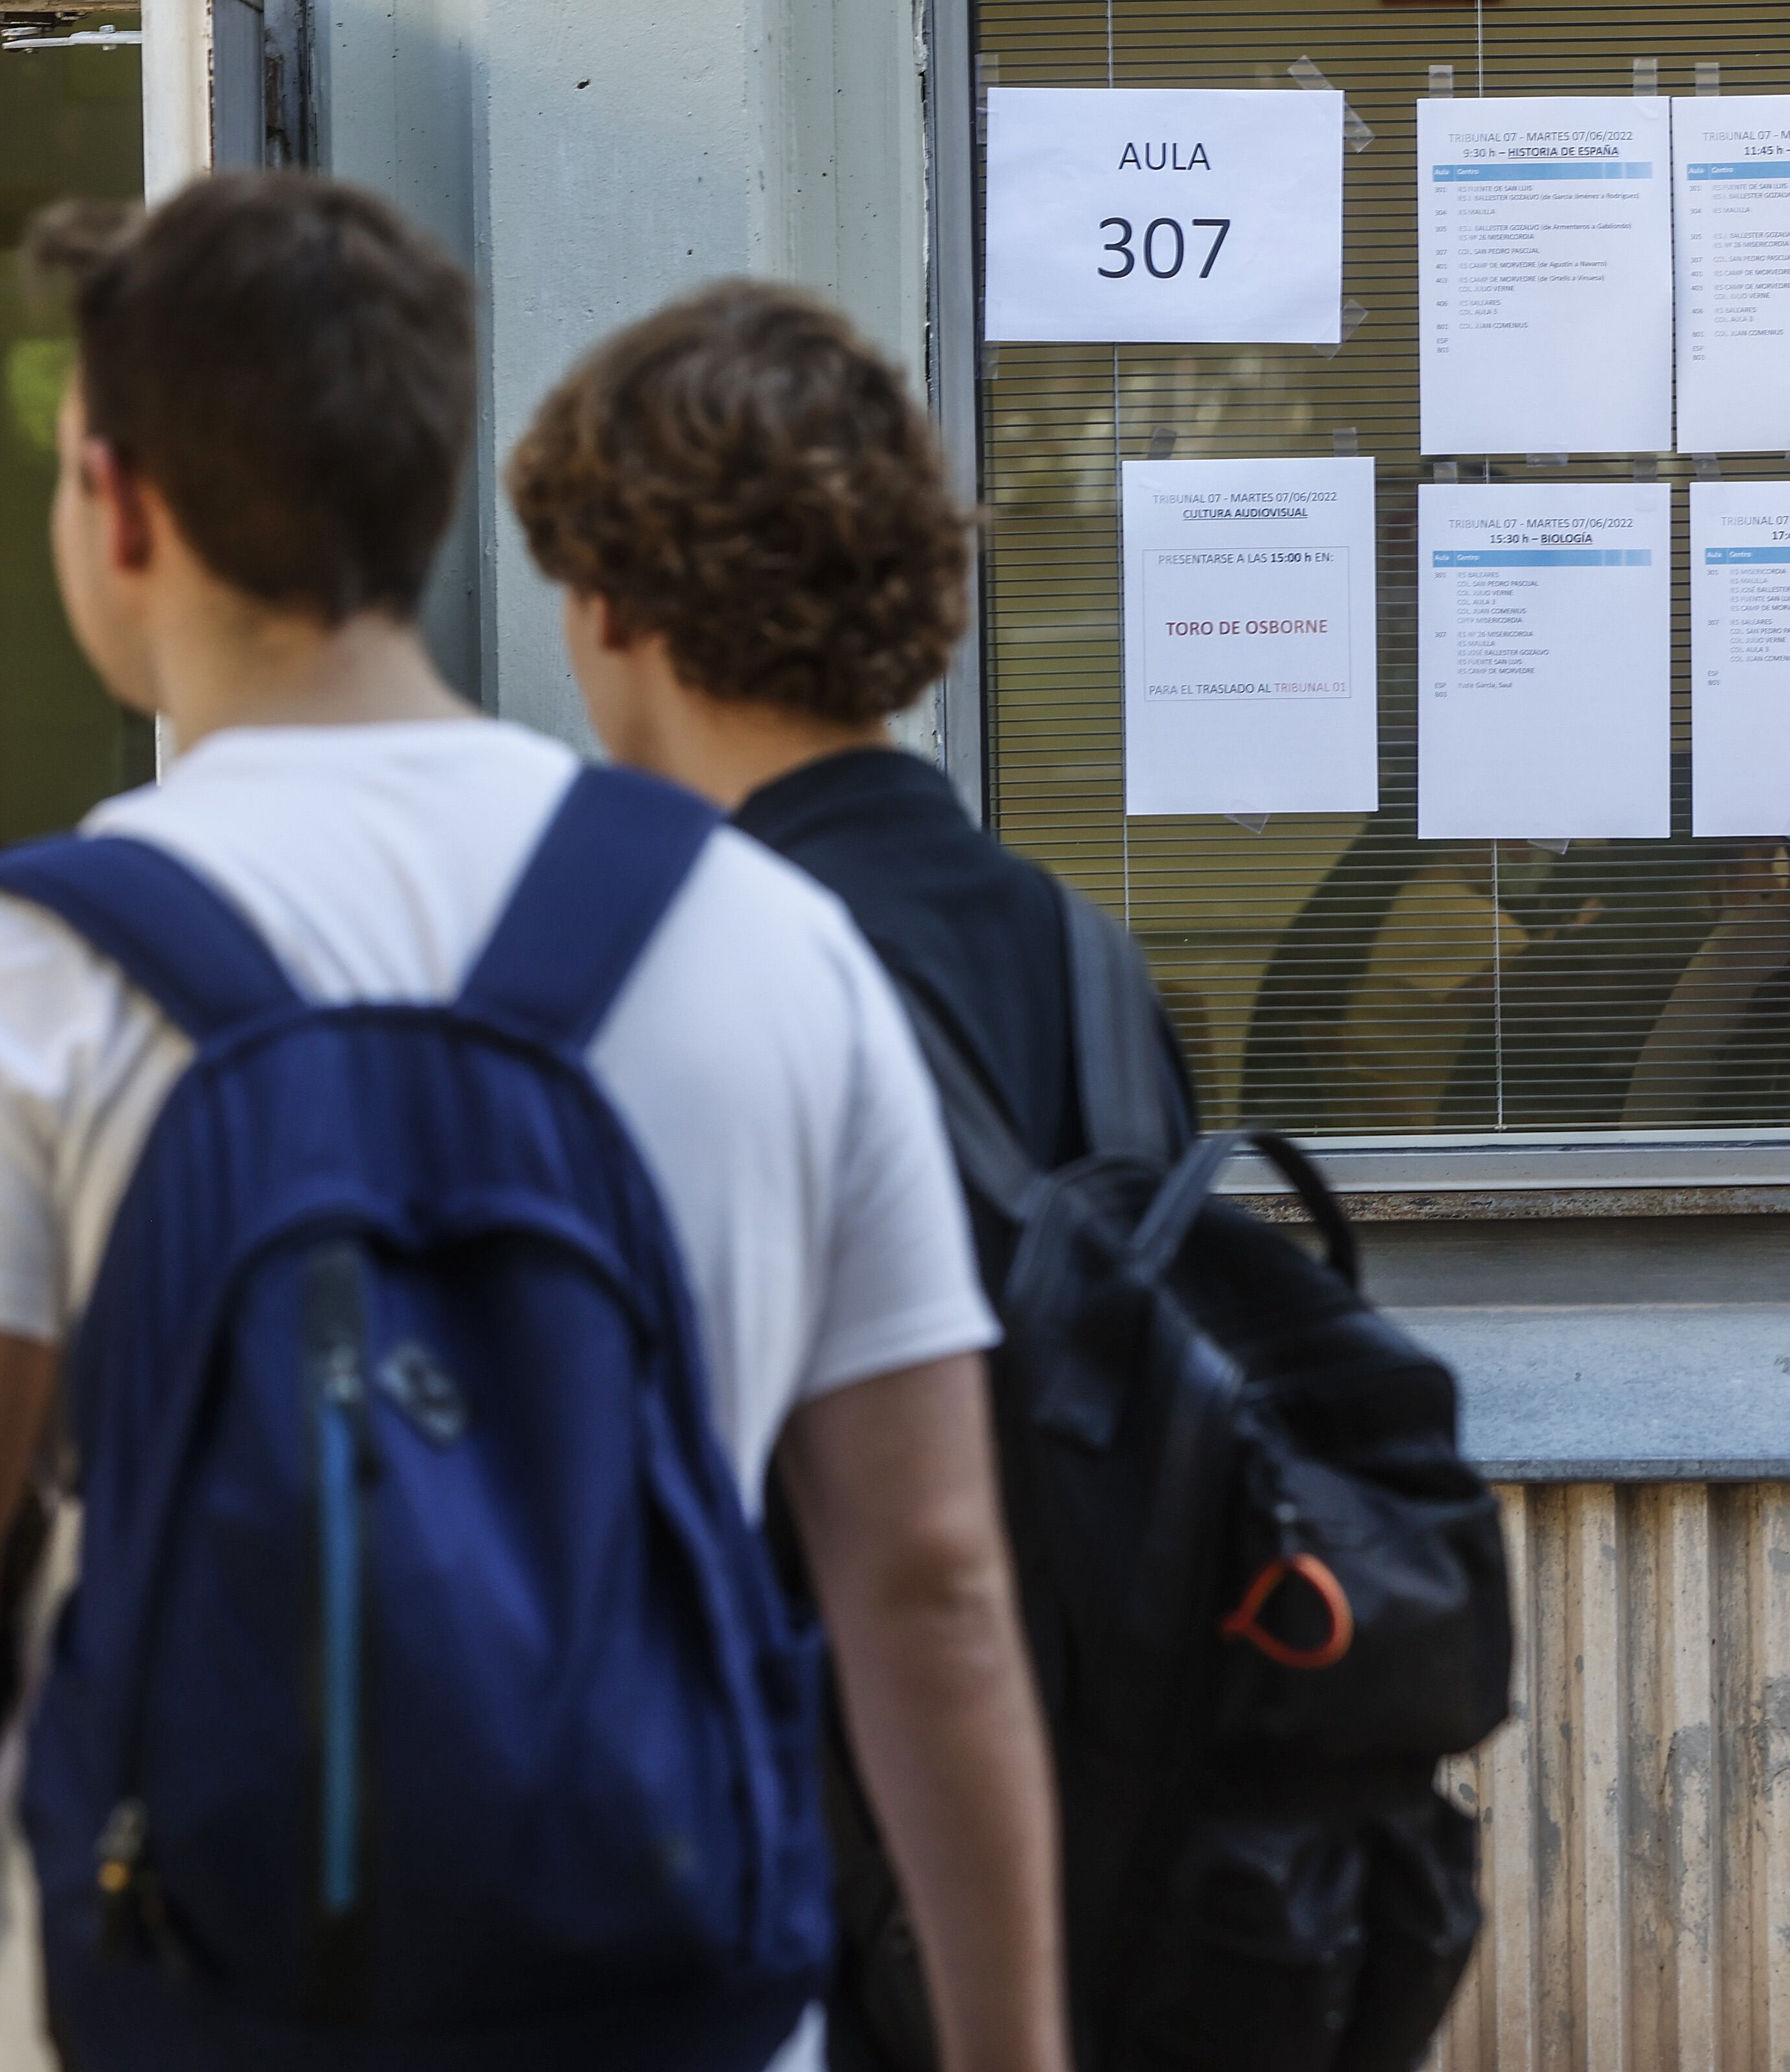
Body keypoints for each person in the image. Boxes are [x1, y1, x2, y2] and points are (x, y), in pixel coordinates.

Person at [0, 173, 1065, 2072]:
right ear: (422, 488)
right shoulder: (766, 939)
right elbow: (928, 1583)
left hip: (172, 2005)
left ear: (119, 505)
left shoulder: (17, 985)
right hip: (659, 2005)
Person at [507, 282, 1489, 2072]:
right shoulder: (1089, 961)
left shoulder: (673, 976)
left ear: (620, 607)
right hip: (1118, 1858)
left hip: (808, 1895)